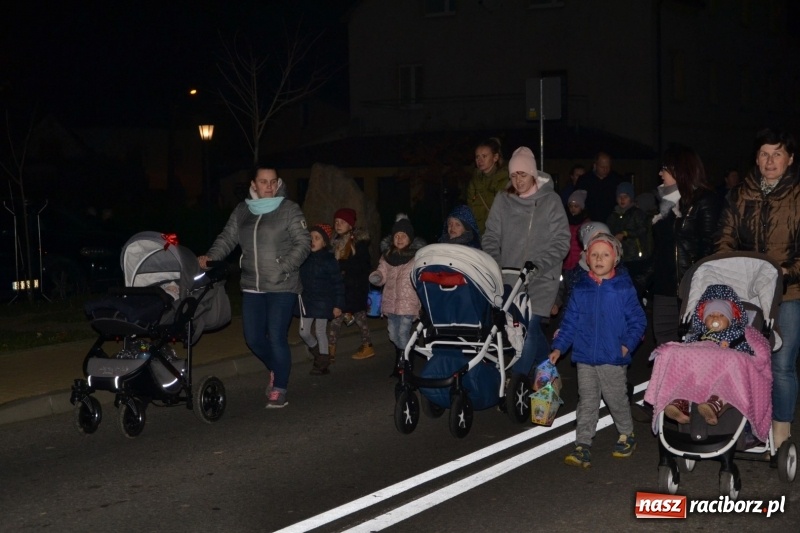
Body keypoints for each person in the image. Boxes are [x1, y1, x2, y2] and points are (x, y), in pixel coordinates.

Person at [716, 127, 800, 451]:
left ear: (789, 159)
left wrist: (785, 272)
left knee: (781, 363)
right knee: (747, 359)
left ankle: (781, 430)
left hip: (789, 293)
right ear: (756, 157)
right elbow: (725, 237)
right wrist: (729, 267)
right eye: (764, 153)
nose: (770, 160)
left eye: (777, 153)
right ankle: (751, 424)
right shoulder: (740, 194)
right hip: (747, 292)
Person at [198, 166, 310, 409]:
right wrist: (210, 258)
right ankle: (277, 368)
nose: (268, 186)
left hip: (282, 284)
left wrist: (284, 266)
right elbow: (227, 238)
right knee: (254, 338)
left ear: (278, 183)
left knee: (277, 337)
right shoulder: (242, 211)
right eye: (263, 182)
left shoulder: (289, 209)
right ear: (254, 185)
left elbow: (304, 243)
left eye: (272, 181)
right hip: (252, 285)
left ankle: (279, 387)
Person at [549, 233, 647, 467]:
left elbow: (638, 321)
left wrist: (626, 346)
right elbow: (570, 322)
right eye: (594, 255)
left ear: (615, 259)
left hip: (613, 357)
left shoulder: (623, 288)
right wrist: (559, 347)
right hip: (584, 357)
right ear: (586, 259)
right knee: (588, 400)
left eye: (605, 254)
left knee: (616, 399)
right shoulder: (581, 289)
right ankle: (582, 444)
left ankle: (627, 434)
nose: (599, 259)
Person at [482, 146, 570, 378]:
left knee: (530, 328)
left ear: (532, 173)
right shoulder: (504, 200)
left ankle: (516, 380)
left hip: (542, 276)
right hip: (510, 275)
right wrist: (495, 263)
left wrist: (539, 264)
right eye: (513, 175)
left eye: (522, 174)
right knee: (526, 330)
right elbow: (490, 235)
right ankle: (548, 376)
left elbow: (562, 241)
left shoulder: (551, 201)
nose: (517, 180)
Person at [651, 144, 720, 345]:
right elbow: (660, 250)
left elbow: (710, 250)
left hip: (690, 291)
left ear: (680, 169)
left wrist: (698, 289)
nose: (660, 173)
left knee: (692, 352)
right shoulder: (666, 205)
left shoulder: (705, 201)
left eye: (665, 168)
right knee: (665, 351)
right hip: (664, 290)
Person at [663, 284, 754, 425]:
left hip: (724, 376)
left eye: (721, 315)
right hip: (700, 374)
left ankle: (713, 406)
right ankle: (680, 405)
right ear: (703, 319)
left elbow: (746, 356)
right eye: (710, 315)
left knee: (725, 387)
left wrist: (730, 350)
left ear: (730, 319)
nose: (715, 318)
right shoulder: (699, 336)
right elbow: (687, 351)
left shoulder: (737, 335)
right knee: (685, 379)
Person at [369, 215, 424, 375]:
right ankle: (407, 352)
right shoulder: (387, 256)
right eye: (396, 235)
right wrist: (377, 277)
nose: (399, 238)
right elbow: (382, 272)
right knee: (393, 334)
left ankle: (404, 362)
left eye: (403, 235)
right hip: (390, 301)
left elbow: (420, 276)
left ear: (410, 239)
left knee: (402, 333)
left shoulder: (416, 257)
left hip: (408, 302)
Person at [299, 223, 345, 376]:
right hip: (307, 300)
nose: (313, 240)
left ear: (324, 242)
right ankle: (319, 353)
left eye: (317, 238)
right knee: (303, 331)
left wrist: (338, 304)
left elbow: (338, 283)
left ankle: (322, 362)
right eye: (310, 237)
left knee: (320, 331)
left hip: (324, 301)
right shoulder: (304, 258)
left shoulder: (329, 260)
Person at [329, 207, 375, 361]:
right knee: (336, 319)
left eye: (342, 221)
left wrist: (342, 266)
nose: (338, 224)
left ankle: (367, 346)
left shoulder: (358, 243)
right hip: (341, 288)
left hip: (354, 289)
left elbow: (362, 265)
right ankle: (330, 351)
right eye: (336, 221)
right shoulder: (334, 242)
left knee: (360, 318)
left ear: (350, 225)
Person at [606, 181, 653, 300]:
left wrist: (626, 234)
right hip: (619, 258)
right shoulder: (613, 216)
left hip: (635, 258)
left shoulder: (637, 213)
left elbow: (643, 229)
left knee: (635, 287)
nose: (622, 199)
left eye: (625, 197)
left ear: (631, 198)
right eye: (619, 197)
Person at [466, 137, 509, 235]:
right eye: (477, 157)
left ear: (495, 157)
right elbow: (471, 207)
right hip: (480, 233)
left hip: (498, 233)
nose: (480, 160)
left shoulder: (505, 180)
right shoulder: (474, 181)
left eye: (484, 156)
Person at [575, 152, 623, 223]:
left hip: (612, 221)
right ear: (595, 165)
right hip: (590, 221)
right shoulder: (584, 180)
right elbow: (578, 201)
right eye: (602, 167)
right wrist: (585, 217)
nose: (605, 169)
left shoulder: (616, 179)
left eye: (607, 167)